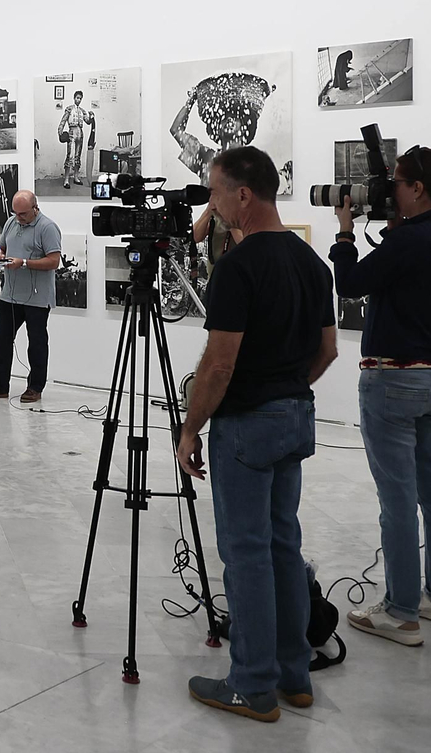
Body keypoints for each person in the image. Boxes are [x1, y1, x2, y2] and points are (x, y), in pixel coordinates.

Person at [177, 146, 338, 723]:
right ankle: (295, 676)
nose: (212, 204)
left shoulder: (238, 268)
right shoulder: (312, 263)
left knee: (245, 554)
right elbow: (328, 350)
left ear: (243, 195)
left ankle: (250, 684)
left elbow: (219, 365)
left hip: (247, 424)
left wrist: (190, 428)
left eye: (215, 192)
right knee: (282, 547)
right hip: (296, 416)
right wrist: (289, 385)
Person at [329, 146, 431, 645]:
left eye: (395, 182)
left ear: (416, 188)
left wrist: (347, 233)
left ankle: (400, 612)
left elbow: (348, 284)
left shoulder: (408, 243)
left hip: (393, 380)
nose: (389, 190)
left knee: (397, 501)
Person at [0, 190, 61, 403]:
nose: (19, 217)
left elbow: (54, 261)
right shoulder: (11, 222)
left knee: (36, 343)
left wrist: (25, 263)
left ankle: (35, 387)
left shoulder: (47, 227)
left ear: (36, 208)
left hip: (37, 298)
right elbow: (2, 246)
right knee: (1, 338)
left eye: (24, 214)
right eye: (15, 213)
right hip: (9, 295)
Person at [58, 91, 95, 188]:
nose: (78, 100)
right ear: (74, 98)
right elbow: (63, 120)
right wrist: (60, 129)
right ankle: (66, 180)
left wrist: (91, 117)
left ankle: (76, 177)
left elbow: (87, 121)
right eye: (77, 98)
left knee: (78, 156)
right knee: (70, 156)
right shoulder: (69, 109)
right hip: (72, 132)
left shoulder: (82, 111)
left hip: (80, 132)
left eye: (80, 98)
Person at [192, 198, 243, 265]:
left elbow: (247, 243)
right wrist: (209, 210)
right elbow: (196, 237)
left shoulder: (245, 212)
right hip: (215, 267)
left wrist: (229, 221)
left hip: (239, 267)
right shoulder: (215, 214)